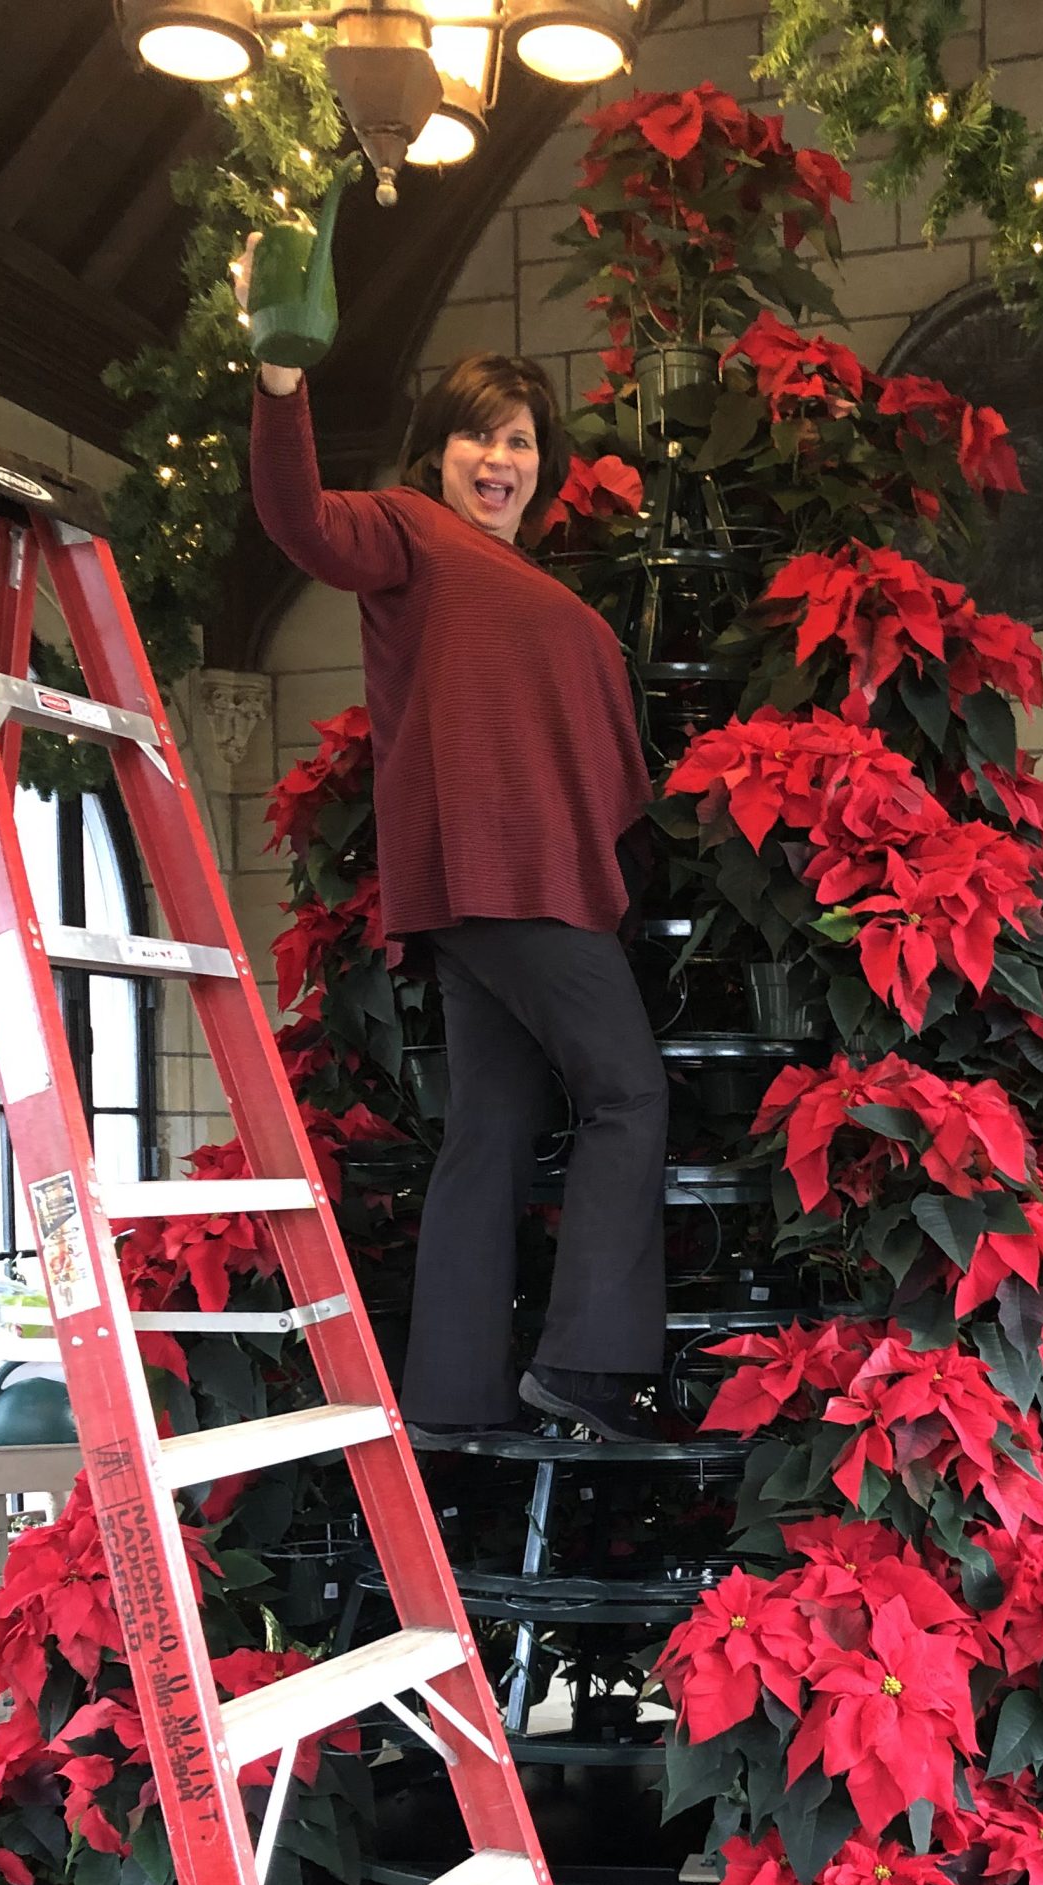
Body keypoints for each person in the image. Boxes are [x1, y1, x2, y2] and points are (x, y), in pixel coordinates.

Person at [237, 245, 668, 1443]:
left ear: (545, 468)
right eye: (482, 436)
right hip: (505, 879)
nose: (502, 459)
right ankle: (585, 1368)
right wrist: (281, 379)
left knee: (491, 1127)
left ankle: (454, 1393)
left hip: (496, 885)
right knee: (629, 1091)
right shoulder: (411, 534)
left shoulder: (512, 572)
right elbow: (298, 519)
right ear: (438, 451)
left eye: (523, 441)